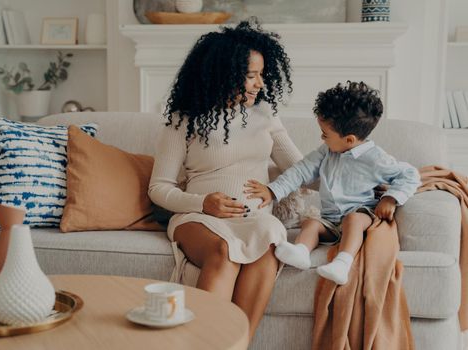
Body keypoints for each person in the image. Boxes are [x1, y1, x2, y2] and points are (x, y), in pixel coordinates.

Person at [148, 19, 303, 341]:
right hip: (199, 218)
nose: (260, 83)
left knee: (270, 236)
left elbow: (303, 171)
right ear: (223, 73)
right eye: (251, 75)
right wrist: (202, 203)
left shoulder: (266, 116)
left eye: (262, 74)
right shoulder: (182, 120)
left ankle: (236, 344)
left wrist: (378, 182)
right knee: (223, 250)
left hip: (255, 217)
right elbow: (159, 188)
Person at [244, 81, 421, 285]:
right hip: (330, 219)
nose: (322, 138)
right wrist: (272, 190)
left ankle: (342, 263)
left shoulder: (375, 159)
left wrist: (390, 198)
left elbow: (410, 175)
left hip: (361, 214)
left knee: (353, 220)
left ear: (349, 139)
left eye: (325, 134)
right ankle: (301, 252)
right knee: (311, 223)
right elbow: (300, 170)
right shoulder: (326, 151)